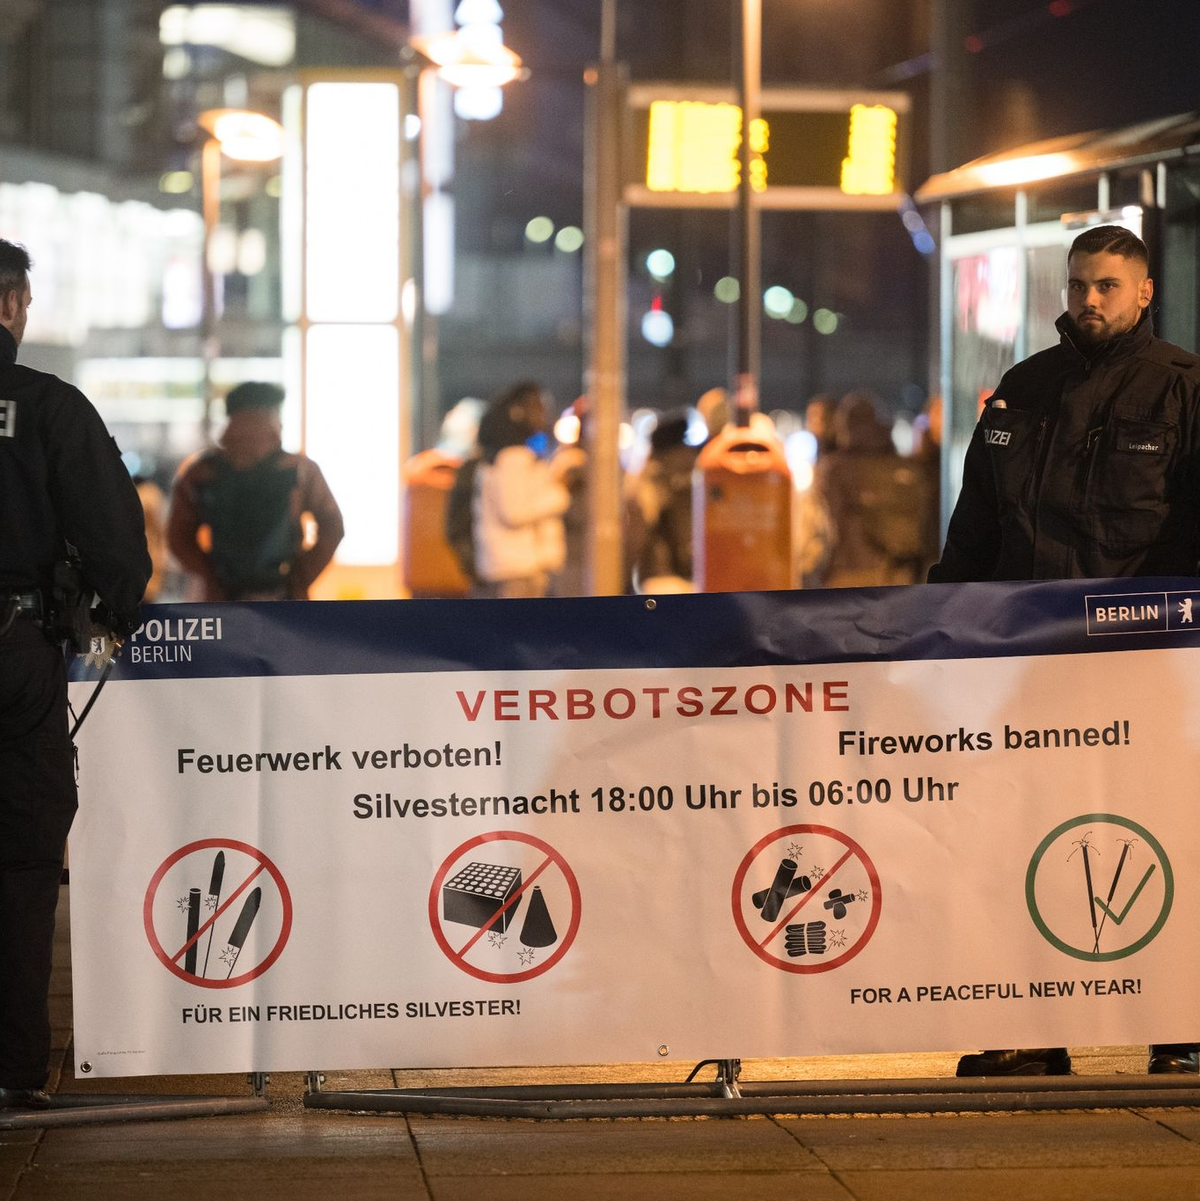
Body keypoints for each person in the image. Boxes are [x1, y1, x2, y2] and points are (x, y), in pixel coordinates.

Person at [930, 224, 1200, 1077]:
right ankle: (1030, 1028)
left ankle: (1182, 1025)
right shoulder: (1023, 389)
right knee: (1023, 833)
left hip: (1147, 662)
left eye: (1109, 286)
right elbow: (976, 527)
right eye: (1080, 283)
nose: (1089, 299)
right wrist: (938, 627)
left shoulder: (1184, 391)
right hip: (1030, 658)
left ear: (1145, 292)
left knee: (1165, 837)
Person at [0, 239, 151, 1110]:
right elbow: (113, 537)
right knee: (19, 858)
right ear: (15, 304)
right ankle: (16, 1063)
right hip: (12, 655)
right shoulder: (49, 407)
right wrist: (115, 613)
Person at [167, 382, 344, 601]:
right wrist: (300, 577)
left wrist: (211, 578)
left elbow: (178, 538)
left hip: (224, 601)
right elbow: (333, 525)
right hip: (286, 600)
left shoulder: (201, 472)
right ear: (272, 416)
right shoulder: (300, 469)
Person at [470, 380, 579, 599]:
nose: (543, 412)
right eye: (537, 405)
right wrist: (559, 493)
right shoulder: (512, 458)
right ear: (518, 412)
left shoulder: (505, 456)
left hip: (513, 567)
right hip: (517, 570)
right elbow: (515, 511)